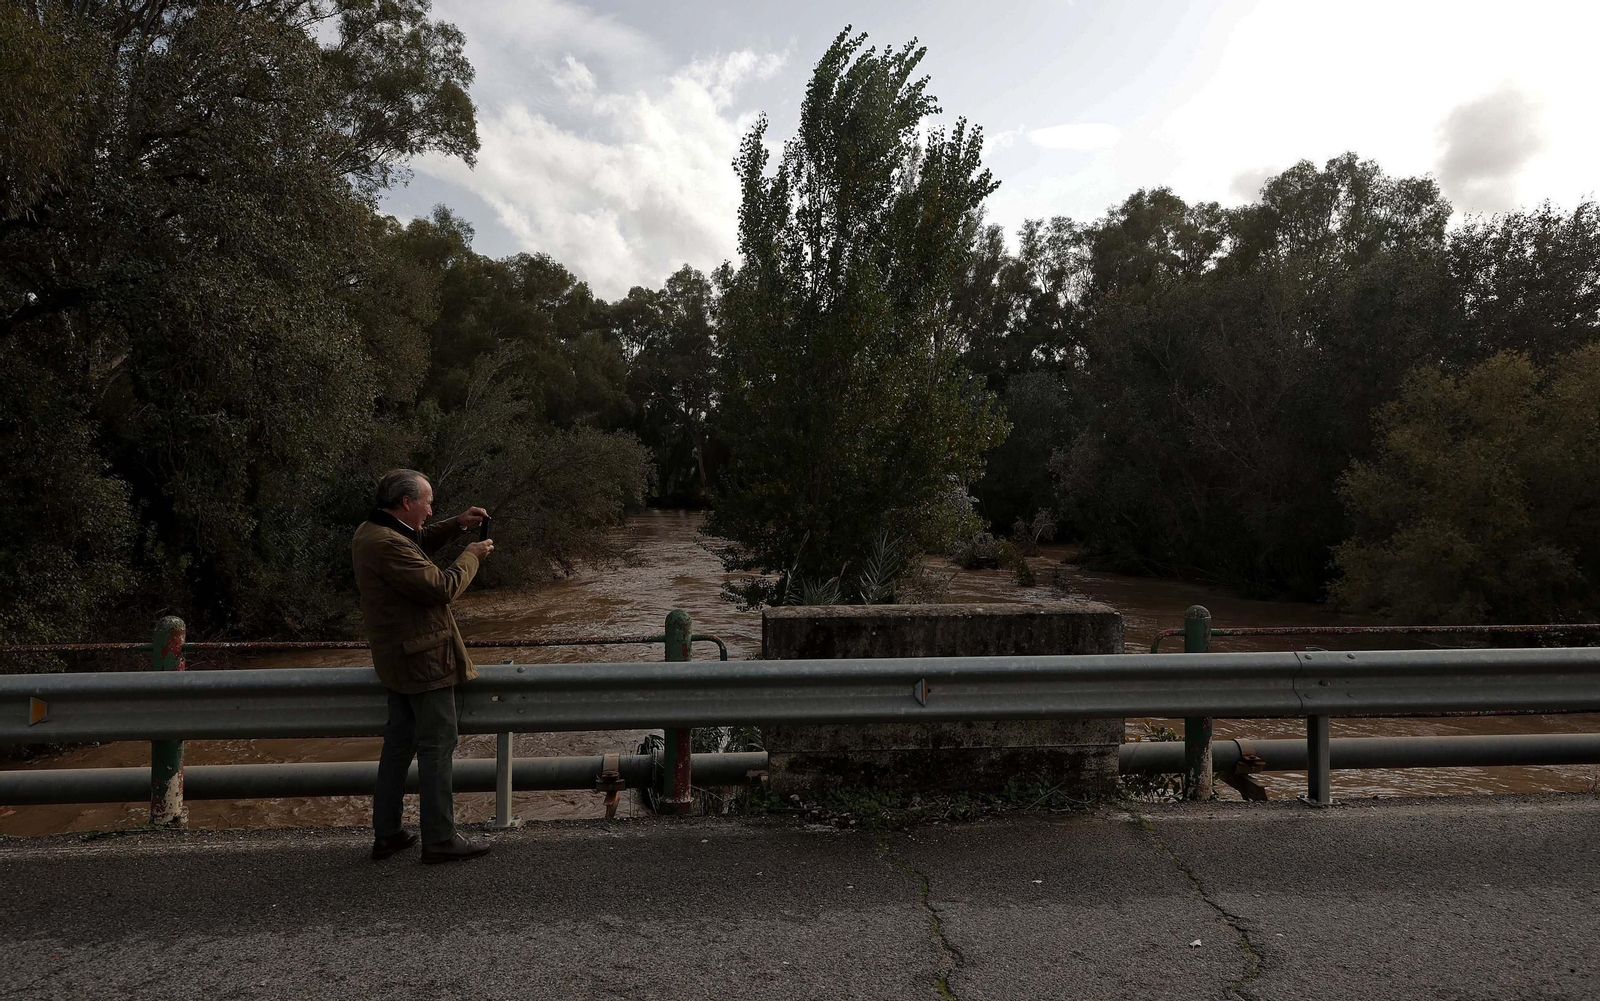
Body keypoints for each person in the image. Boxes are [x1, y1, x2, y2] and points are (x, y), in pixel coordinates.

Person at [352, 468, 495, 863]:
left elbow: (417, 543)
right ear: (406, 503)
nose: (431, 510)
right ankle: (440, 838)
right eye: (428, 502)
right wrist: (471, 556)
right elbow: (440, 588)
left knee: (398, 747)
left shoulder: (373, 531)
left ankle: (389, 833)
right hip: (424, 660)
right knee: (437, 746)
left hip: (398, 659)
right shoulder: (387, 543)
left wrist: (459, 526)